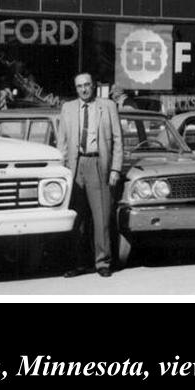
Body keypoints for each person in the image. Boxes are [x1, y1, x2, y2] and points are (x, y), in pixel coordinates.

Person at [56, 72, 123, 277]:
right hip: (75, 167)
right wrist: (63, 172)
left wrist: (115, 169)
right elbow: (62, 143)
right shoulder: (68, 108)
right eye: (79, 86)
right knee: (78, 218)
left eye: (87, 85)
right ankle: (79, 263)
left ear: (93, 86)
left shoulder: (107, 106)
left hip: (98, 164)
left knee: (101, 216)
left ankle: (102, 262)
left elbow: (118, 140)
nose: (83, 89)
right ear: (75, 89)